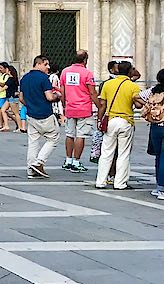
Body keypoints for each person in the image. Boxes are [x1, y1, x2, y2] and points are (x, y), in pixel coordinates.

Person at [95, 61, 145, 191]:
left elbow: (102, 105)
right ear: (129, 72)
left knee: (106, 152)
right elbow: (139, 104)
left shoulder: (108, 84)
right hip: (126, 121)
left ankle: (100, 181)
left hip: (111, 120)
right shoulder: (132, 86)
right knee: (123, 153)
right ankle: (120, 183)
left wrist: (99, 120)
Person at [20, 55, 61, 178]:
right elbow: (49, 97)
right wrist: (57, 96)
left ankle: (30, 169)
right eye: (46, 64)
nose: (48, 67)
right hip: (44, 113)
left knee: (33, 141)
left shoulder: (25, 78)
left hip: (31, 114)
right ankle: (39, 162)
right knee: (54, 137)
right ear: (38, 64)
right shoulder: (44, 78)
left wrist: (31, 105)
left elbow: (21, 98)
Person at [60, 50, 101, 172]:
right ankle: (76, 162)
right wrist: (99, 106)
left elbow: (62, 91)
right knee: (81, 135)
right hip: (83, 108)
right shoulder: (87, 73)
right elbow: (92, 92)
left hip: (70, 107)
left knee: (69, 134)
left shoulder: (65, 72)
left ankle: (68, 160)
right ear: (85, 60)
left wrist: (64, 105)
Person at [141, 69, 164, 199]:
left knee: (159, 156)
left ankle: (159, 187)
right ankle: (162, 189)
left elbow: (138, 96)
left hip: (155, 126)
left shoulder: (153, 90)